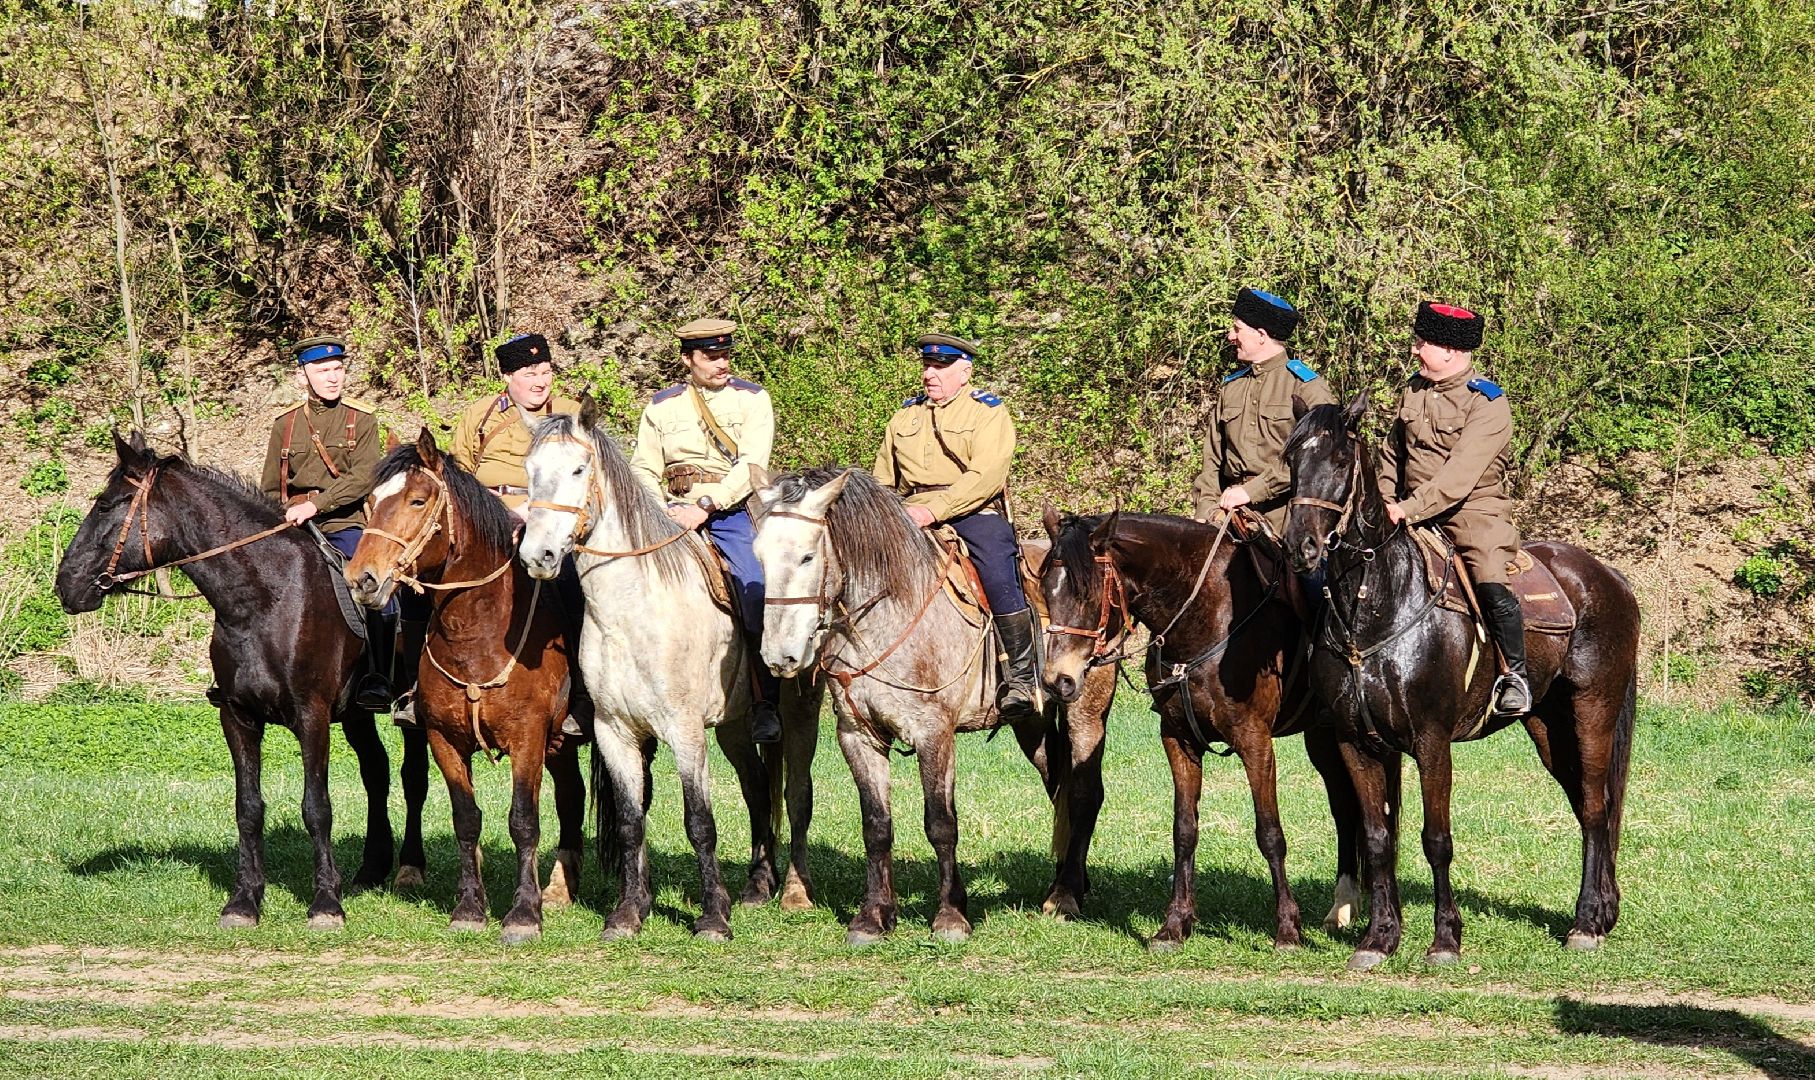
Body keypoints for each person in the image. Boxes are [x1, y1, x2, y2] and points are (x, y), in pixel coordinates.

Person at [629, 318, 781, 744]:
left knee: (755, 586)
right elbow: (643, 466)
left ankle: (765, 701)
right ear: (688, 360)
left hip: (728, 510)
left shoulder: (752, 399)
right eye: (711, 357)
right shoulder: (661, 406)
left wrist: (705, 506)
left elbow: (753, 466)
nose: (721, 364)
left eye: (725, 355)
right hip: (667, 512)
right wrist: (659, 510)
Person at [873, 332, 1038, 720]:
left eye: (941, 366)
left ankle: (1022, 676)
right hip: (908, 513)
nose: (931, 374)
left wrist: (935, 511)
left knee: (998, 570)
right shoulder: (903, 416)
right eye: (927, 366)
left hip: (972, 512)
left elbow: (985, 476)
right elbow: (883, 479)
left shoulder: (987, 412)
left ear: (964, 372)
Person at [1378, 302, 1530, 715]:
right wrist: (1384, 501)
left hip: (1471, 513)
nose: (1415, 350)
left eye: (1423, 343)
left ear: (1450, 350)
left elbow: (1458, 478)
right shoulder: (1413, 389)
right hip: (1406, 509)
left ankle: (1514, 674)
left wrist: (1407, 509)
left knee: (1488, 577)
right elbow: (1392, 454)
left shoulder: (1488, 403)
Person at [441, 333, 587, 732]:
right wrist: (497, 516)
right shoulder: (480, 415)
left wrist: (536, 516)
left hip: (553, 520)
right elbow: (458, 478)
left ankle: (583, 696)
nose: (541, 381)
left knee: (575, 590)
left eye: (546, 371)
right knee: (434, 585)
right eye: (529, 373)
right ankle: (417, 690)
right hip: (490, 522)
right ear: (506, 376)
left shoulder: (572, 414)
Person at [258, 334, 390, 709]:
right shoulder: (284, 425)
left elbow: (364, 477)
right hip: (292, 527)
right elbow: (270, 486)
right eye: (322, 370)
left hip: (343, 523)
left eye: (338, 368)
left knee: (372, 582)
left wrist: (315, 505)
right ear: (302, 376)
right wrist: (279, 517)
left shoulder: (362, 420)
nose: (333, 377)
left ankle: (377, 675)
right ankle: (242, 671)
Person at [1191, 287, 1336, 534]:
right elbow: (1212, 459)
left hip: (1287, 522)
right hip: (1227, 516)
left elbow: (1318, 459)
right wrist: (1206, 510)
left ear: (1261, 335)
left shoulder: (1309, 389)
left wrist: (1251, 492)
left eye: (1237, 329)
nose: (1230, 336)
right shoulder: (1231, 387)